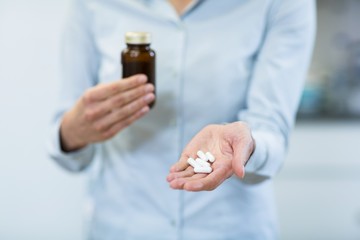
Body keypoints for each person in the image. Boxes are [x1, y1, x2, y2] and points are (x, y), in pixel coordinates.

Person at [48, 0, 316, 239]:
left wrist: (246, 145)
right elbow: (67, 149)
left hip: (229, 228)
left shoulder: (282, 4)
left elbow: (271, 129)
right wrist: (74, 132)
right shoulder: (91, 5)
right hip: (122, 225)